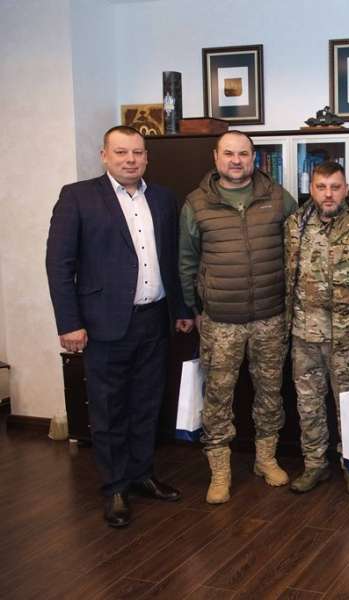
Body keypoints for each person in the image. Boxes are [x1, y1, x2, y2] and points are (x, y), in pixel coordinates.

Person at [46, 126, 193, 528]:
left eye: (137, 153)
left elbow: (172, 259)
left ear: (146, 157)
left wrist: (181, 308)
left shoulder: (162, 198)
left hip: (154, 319)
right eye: (122, 152)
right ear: (104, 155)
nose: (130, 159)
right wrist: (69, 323)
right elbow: (59, 265)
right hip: (103, 324)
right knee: (109, 408)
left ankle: (142, 474)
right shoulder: (77, 197)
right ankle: (115, 486)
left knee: (147, 403)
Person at [179, 131, 298, 504]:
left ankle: (266, 459)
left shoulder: (278, 197)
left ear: (254, 158)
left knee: (270, 393)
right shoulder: (196, 203)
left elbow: (298, 250)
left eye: (243, 154)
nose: (236, 160)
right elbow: (187, 260)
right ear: (215, 157)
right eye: (229, 153)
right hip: (220, 320)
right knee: (218, 397)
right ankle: (220, 472)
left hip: (270, 317)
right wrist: (195, 309)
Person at [283, 161, 349, 495]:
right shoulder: (295, 225)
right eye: (321, 187)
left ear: (346, 189)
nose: (328, 194)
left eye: (335, 187)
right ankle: (315, 465)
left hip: (348, 338)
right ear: (311, 189)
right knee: (308, 405)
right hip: (304, 336)